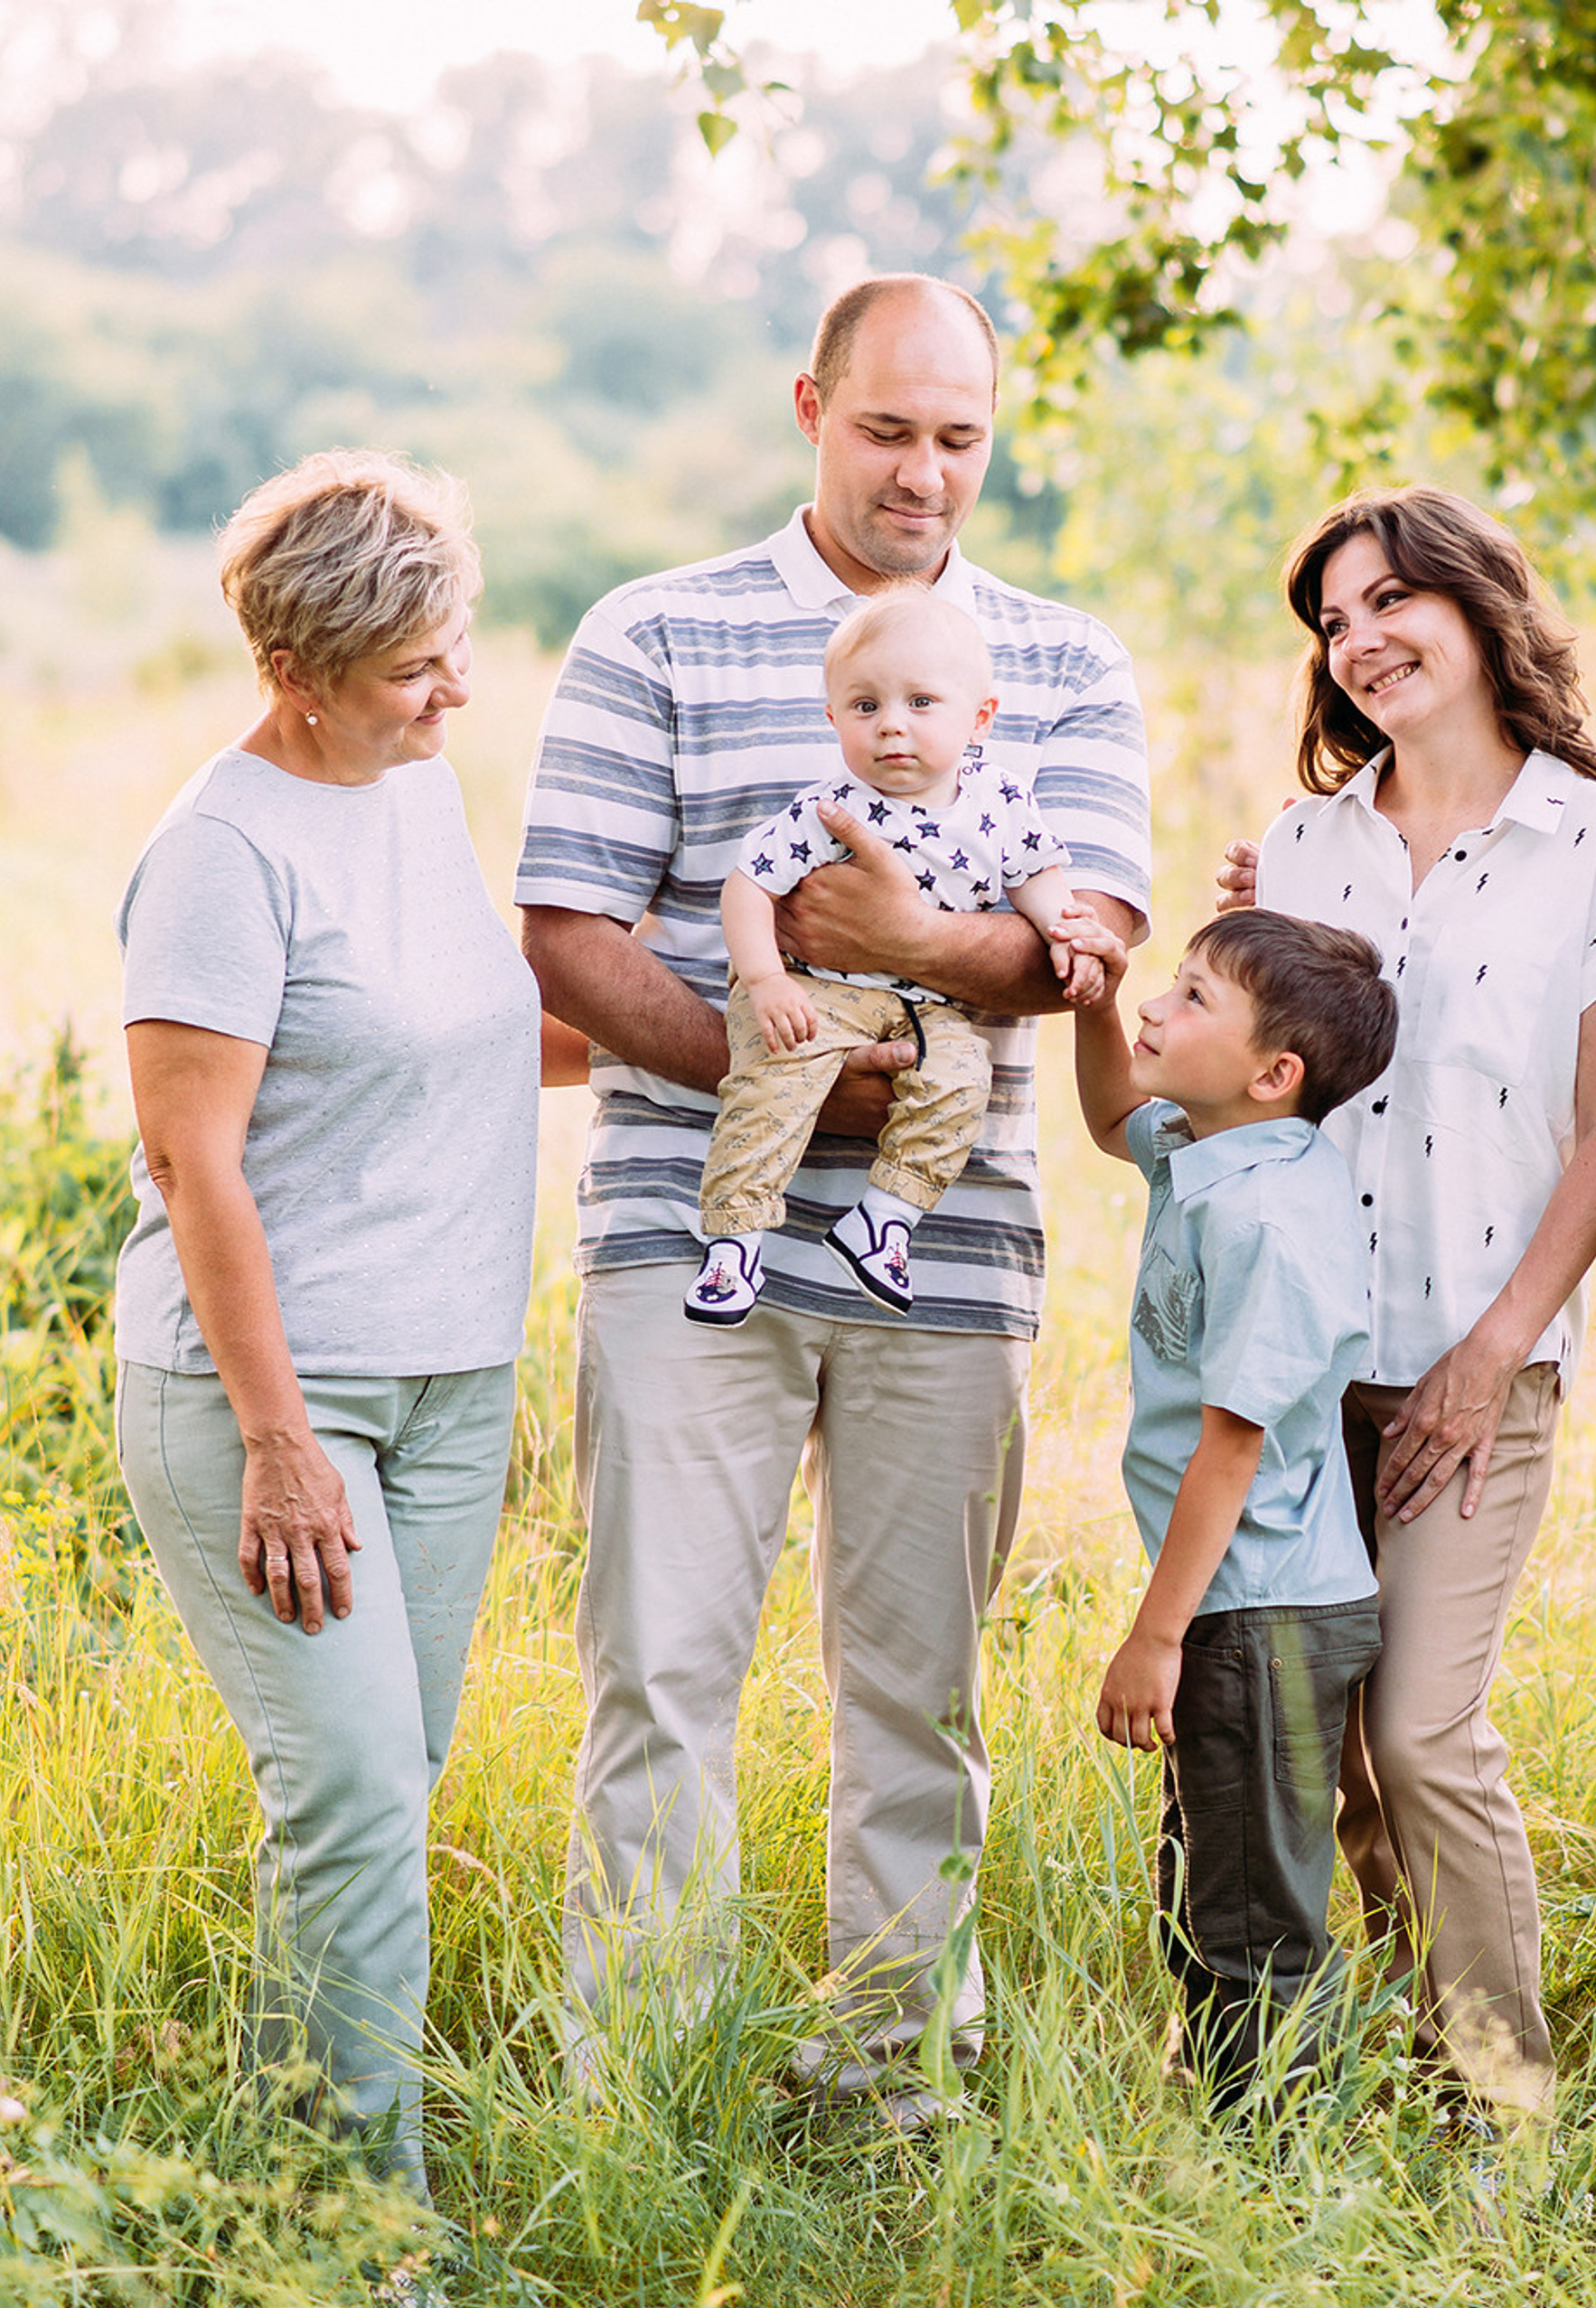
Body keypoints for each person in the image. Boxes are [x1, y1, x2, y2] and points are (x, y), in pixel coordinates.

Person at [514, 273, 1150, 2111]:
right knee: (658, 1669)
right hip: (682, 1221)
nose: (923, 473)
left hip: (944, 1249)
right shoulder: (653, 633)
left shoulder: (1062, 660)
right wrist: (772, 1070)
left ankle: (896, 2075)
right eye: (888, 430)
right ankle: (637, 2079)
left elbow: (1085, 940)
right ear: (810, 406)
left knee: (915, 1692)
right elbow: (565, 923)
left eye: (959, 438)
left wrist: (908, 939)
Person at [112, 449, 577, 2200]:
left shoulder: (405, 790)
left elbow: (478, 1029)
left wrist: (755, 1044)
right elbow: (191, 1158)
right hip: (270, 1398)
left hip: (451, 1381)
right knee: (361, 1796)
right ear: (297, 676)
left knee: (371, 1802)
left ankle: (294, 2178)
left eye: (453, 646)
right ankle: (352, 2226)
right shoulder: (223, 852)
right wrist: (283, 1441)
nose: (453, 688)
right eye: (412, 668)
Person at [1228, 485, 1596, 2125]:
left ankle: (1506, 2109)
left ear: (1483, 611)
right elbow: (1257, 1102)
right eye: (1335, 619)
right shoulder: (1304, 841)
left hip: (1484, 1363)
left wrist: (1488, 1358)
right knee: (1326, 1744)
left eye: (1394, 599)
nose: (1363, 639)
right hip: (1304, 1361)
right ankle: (1411, 2060)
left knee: (1420, 1731)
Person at [1072, 909, 1396, 2108]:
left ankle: (1272, 2162)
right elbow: (1114, 1117)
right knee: (1213, 1881)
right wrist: (1093, 1003)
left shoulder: (1265, 1218)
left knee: (1252, 1921)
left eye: (1193, 998)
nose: (1160, 1007)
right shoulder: (1221, 1148)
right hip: (1239, 1598)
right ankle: (1235, 2126)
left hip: (1257, 1610)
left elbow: (1233, 1444)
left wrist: (1158, 1637)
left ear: (1276, 1074)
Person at [688, 588, 1105, 1326]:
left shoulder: (999, 801)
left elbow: (1035, 878)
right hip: (818, 991)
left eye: (920, 703)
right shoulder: (832, 808)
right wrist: (764, 980)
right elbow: (748, 885)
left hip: (927, 1002)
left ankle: (883, 1220)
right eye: (865, 706)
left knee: (961, 1080)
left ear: (979, 717)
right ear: (833, 718)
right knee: (773, 1086)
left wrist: (1066, 931)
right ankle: (733, 1242)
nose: (892, 728)